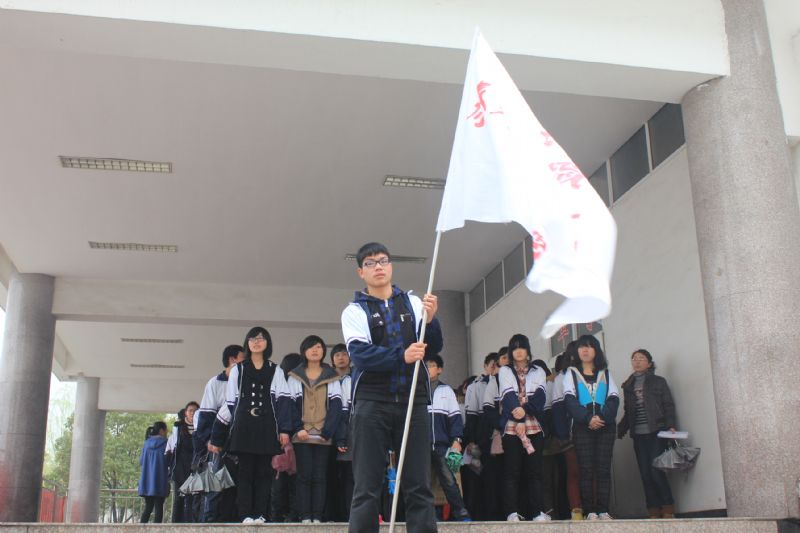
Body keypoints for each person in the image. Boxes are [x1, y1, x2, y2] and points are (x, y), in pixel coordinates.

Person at [340, 242, 442, 533]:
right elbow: (360, 355)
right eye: (371, 263)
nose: (379, 266)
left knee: (418, 484)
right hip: (372, 403)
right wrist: (401, 355)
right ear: (361, 272)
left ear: (391, 266)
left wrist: (431, 321)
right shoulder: (354, 310)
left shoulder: (411, 303)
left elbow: (433, 347)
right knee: (367, 486)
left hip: (413, 400)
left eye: (383, 261)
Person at [209, 326, 294, 523]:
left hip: (266, 427)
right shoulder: (238, 369)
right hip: (244, 428)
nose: (257, 341)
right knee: (245, 472)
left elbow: (283, 401)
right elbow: (230, 403)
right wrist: (217, 435)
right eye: (253, 338)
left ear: (267, 343)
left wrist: (284, 430)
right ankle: (245, 514)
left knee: (265, 473)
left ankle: (260, 514)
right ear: (247, 343)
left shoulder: (276, 370)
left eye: (261, 338)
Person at [287, 335, 344, 524]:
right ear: (304, 351)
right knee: (304, 476)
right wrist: (297, 428)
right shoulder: (295, 376)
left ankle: (317, 517)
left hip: (323, 435)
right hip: (301, 435)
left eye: (319, 346)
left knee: (320, 476)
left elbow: (337, 406)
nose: (315, 350)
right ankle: (305, 517)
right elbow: (290, 405)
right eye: (311, 347)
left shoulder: (331, 376)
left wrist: (327, 431)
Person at [563, 335, 619, 520]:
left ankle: (603, 509)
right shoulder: (570, 373)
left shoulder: (606, 373)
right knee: (585, 469)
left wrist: (602, 417)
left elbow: (613, 398)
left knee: (603, 469)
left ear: (596, 350)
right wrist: (588, 418)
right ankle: (590, 511)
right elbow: (570, 400)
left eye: (589, 346)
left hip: (606, 426)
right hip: (582, 427)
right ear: (577, 351)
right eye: (581, 347)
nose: (585, 350)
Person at [618, 349, 677, 519]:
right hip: (638, 434)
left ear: (649, 363)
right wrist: (619, 430)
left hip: (657, 432)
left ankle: (667, 509)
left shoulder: (658, 381)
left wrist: (671, 425)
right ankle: (653, 510)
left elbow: (668, 404)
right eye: (634, 359)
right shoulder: (627, 385)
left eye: (641, 359)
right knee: (644, 473)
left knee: (656, 471)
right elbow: (628, 411)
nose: (637, 362)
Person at [497, 334, 550, 522]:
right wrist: (517, 414)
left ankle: (537, 512)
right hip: (512, 428)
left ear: (528, 351)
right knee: (512, 472)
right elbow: (507, 395)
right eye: (515, 347)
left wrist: (523, 410)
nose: (518, 351)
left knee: (535, 472)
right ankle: (512, 512)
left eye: (522, 347)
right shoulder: (504, 371)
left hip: (534, 426)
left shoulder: (539, 371)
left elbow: (540, 398)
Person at [194, 344, 244, 523]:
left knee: (236, 490)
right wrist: (210, 440)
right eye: (243, 358)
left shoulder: (245, 382)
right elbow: (205, 417)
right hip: (219, 445)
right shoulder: (215, 383)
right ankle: (208, 524)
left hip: (241, 444)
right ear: (233, 360)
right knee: (215, 489)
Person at [425, 354, 471, 522]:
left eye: (431, 365)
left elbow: (455, 418)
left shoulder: (447, 391)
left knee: (449, 481)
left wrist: (457, 440)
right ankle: (429, 517)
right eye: (425, 365)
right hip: (420, 446)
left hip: (443, 445)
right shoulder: (415, 390)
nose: (427, 369)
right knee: (423, 483)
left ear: (439, 369)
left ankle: (462, 514)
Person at [462, 352, 498, 520]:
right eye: (491, 365)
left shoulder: (504, 383)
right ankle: (478, 516)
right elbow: (471, 417)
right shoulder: (475, 386)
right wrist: (470, 441)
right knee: (477, 478)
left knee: (496, 479)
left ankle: (496, 515)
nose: (494, 368)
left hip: (499, 438)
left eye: (497, 365)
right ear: (484, 366)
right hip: (480, 439)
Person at [550, 344, 583, 520]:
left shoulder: (592, 374)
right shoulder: (561, 378)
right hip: (570, 432)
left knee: (592, 471)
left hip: (591, 430)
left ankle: (595, 509)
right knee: (574, 471)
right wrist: (563, 434)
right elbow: (557, 408)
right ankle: (576, 510)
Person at [271, 353, 304, 523]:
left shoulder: (277, 384)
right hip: (297, 438)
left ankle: (276, 516)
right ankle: (293, 515)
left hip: (279, 439)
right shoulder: (299, 384)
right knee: (295, 480)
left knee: (277, 479)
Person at [329, 343, 354, 522]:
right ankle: (331, 515)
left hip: (350, 434)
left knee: (349, 476)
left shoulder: (357, 376)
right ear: (332, 360)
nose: (341, 357)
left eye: (344, 354)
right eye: (337, 355)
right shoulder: (327, 378)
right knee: (329, 475)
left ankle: (348, 515)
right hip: (326, 433)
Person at [167, 401, 199, 522]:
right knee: (178, 499)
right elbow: (174, 447)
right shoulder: (178, 426)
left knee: (192, 499)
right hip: (180, 467)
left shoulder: (201, 426)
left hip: (195, 467)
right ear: (186, 412)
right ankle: (175, 526)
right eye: (190, 410)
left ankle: (190, 525)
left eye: (195, 411)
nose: (192, 413)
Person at [139, 421, 169, 523]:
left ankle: (140, 530)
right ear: (161, 431)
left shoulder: (146, 443)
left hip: (147, 481)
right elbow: (169, 461)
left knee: (148, 507)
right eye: (166, 430)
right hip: (160, 480)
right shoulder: (166, 443)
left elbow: (141, 461)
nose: (166, 432)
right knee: (159, 508)